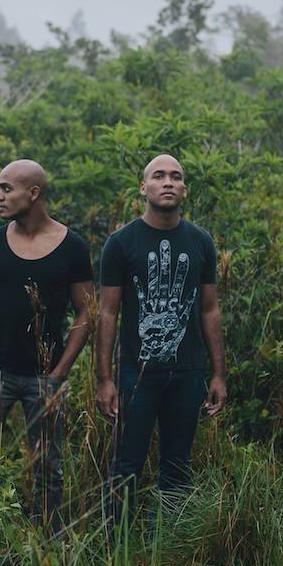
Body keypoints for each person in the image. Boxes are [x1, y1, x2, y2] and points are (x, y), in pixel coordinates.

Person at [0, 159, 93, 536]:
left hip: (43, 378)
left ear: (33, 193)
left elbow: (87, 312)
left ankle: (47, 544)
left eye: (6, 188)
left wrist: (58, 374)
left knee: (48, 470)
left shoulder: (72, 247)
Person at [96, 153, 226, 530]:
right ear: (143, 187)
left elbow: (209, 310)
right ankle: (117, 546)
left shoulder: (200, 242)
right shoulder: (121, 243)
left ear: (184, 189)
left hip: (187, 373)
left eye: (175, 176)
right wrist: (105, 379)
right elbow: (107, 313)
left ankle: (170, 545)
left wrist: (218, 374)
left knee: (177, 466)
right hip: (137, 374)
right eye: (158, 176)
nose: (168, 182)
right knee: (126, 465)